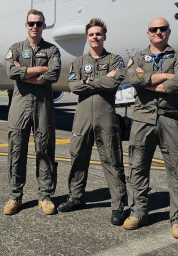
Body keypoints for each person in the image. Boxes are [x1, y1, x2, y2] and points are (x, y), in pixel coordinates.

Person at [123, 17, 178, 240]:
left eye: (162, 29)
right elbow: (133, 77)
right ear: (148, 33)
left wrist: (149, 82)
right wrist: (164, 77)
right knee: (137, 168)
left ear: (168, 32)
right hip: (142, 119)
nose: (158, 32)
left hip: (170, 119)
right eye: (154, 29)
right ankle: (138, 213)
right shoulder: (137, 57)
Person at [57, 18, 128, 226]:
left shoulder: (115, 60)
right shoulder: (78, 62)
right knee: (78, 156)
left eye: (98, 34)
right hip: (82, 117)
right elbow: (73, 86)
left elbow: (114, 81)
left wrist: (87, 82)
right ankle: (76, 197)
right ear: (87, 38)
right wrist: (100, 82)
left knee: (112, 160)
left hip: (106, 117)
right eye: (91, 34)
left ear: (104, 36)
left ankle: (118, 205)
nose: (95, 37)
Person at [3, 9, 61, 215]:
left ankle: (45, 196)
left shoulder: (53, 50)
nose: (35, 27)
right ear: (26, 25)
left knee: (45, 149)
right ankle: (15, 196)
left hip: (43, 106)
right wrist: (41, 69)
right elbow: (11, 71)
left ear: (44, 26)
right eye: (31, 23)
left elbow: (54, 74)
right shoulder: (15, 48)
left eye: (39, 23)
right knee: (16, 150)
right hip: (20, 106)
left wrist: (25, 74)